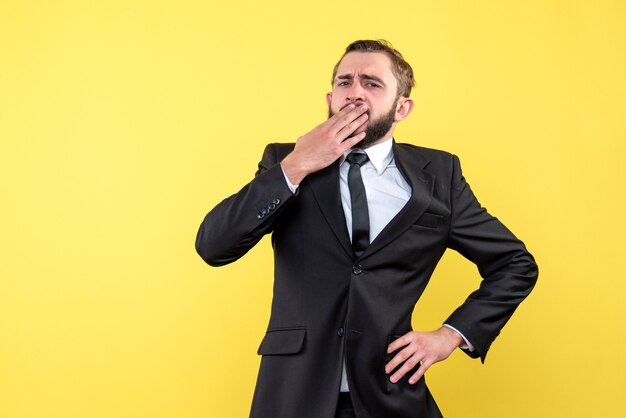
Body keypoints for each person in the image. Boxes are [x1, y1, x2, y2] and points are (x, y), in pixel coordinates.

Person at [195, 39, 538, 418]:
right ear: (330, 97)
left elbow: (515, 263)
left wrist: (450, 335)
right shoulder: (285, 160)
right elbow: (214, 245)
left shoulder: (439, 175)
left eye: (372, 84)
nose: (354, 93)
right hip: (293, 396)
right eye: (345, 82)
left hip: (391, 396)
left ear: (401, 107)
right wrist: (296, 165)